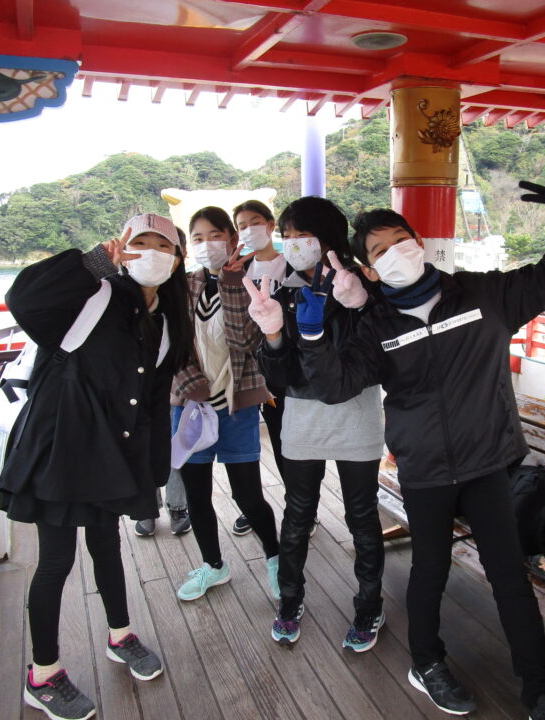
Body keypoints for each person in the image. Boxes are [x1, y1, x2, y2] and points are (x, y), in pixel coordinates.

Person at [295, 168, 545, 719]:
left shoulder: (484, 295)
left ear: (419, 241)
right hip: (425, 468)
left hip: (487, 464)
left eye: (400, 240)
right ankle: (426, 662)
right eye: (379, 251)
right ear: (368, 269)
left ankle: (541, 691)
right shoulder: (377, 326)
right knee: (430, 570)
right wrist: (312, 336)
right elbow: (336, 386)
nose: (394, 253)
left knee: (510, 578)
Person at [0, 212, 191, 720]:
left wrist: (152, 472)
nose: (151, 252)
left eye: (163, 245)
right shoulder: (92, 296)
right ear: (123, 249)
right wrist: (93, 264)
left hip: (112, 453)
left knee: (107, 545)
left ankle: (120, 635)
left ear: (177, 260)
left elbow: (152, 402)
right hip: (59, 449)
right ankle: (43, 675)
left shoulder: (165, 323)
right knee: (56, 561)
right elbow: (24, 300)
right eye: (140, 242)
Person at [245, 195, 386, 652]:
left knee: (362, 517)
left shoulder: (362, 283)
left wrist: (361, 305)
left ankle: (370, 605)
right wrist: (271, 335)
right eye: (286, 236)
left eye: (301, 235)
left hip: (357, 414)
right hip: (303, 417)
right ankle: (290, 600)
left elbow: (381, 349)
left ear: (327, 238)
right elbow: (281, 377)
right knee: (298, 513)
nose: (292, 244)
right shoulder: (281, 291)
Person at [171, 206, 281, 602]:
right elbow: (170, 345)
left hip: (237, 406)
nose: (207, 245)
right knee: (197, 495)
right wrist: (193, 386)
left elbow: (245, 341)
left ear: (232, 240)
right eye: (198, 239)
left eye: (215, 236)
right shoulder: (182, 287)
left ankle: (276, 559)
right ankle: (213, 565)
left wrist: (232, 284)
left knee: (247, 495)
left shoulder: (249, 283)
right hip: (190, 406)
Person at [230, 199, 288, 537]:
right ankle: (251, 507)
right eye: (242, 225)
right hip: (247, 372)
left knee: (284, 442)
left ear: (270, 224)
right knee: (246, 446)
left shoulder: (289, 265)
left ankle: (299, 504)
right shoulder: (240, 270)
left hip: (282, 370)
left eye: (254, 222)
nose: (249, 229)